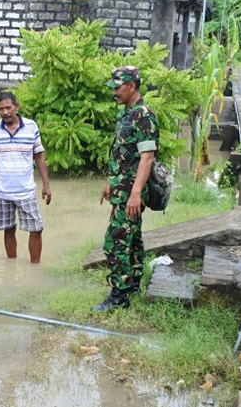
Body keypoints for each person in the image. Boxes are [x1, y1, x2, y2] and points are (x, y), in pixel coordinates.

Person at [92, 66, 159, 313]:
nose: (114, 93)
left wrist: (135, 194)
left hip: (131, 193)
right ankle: (133, 284)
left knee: (115, 241)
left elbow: (147, 157)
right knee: (132, 239)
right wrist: (110, 181)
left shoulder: (144, 116)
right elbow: (121, 154)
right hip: (122, 189)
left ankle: (118, 296)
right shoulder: (126, 114)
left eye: (118, 88)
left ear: (132, 86)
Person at [0, 91, 52, 264]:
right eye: (0, 109)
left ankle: (35, 267)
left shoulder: (31, 126)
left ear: (16, 107)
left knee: (36, 229)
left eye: (8, 108)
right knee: (8, 229)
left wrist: (46, 185)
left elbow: (39, 156)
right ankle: (11, 264)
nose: (4, 112)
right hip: (2, 190)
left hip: (26, 190)